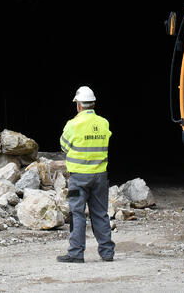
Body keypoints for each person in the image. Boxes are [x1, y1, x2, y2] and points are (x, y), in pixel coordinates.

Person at [57, 85, 115, 263]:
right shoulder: (104, 123)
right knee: (100, 214)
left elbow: (64, 147)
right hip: (99, 176)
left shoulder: (73, 125)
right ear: (94, 104)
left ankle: (76, 253)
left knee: (77, 214)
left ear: (78, 105)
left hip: (79, 177)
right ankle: (107, 253)